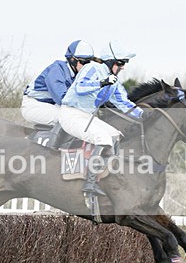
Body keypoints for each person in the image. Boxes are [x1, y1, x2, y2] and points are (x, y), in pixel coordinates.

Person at [60, 41, 143, 196]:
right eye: (121, 63)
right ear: (111, 61)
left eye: (124, 63)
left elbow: (122, 102)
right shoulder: (92, 68)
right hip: (71, 114)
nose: (123, 67)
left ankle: (103, 175)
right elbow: (80, 88)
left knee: (115, 136)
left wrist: (142, 114)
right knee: (103, 138)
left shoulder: (114, 81)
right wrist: (102, 82)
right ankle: (89, 184)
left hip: (86, 117)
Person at [21, 40, 96, 126]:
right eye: (84, 62)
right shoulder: (57, 70)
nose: (87, 65)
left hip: (52, 105)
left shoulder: (79, 75)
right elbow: (63, 99)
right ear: (72, 60)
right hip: (34, 106)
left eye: (89, 62)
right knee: (69, 117)